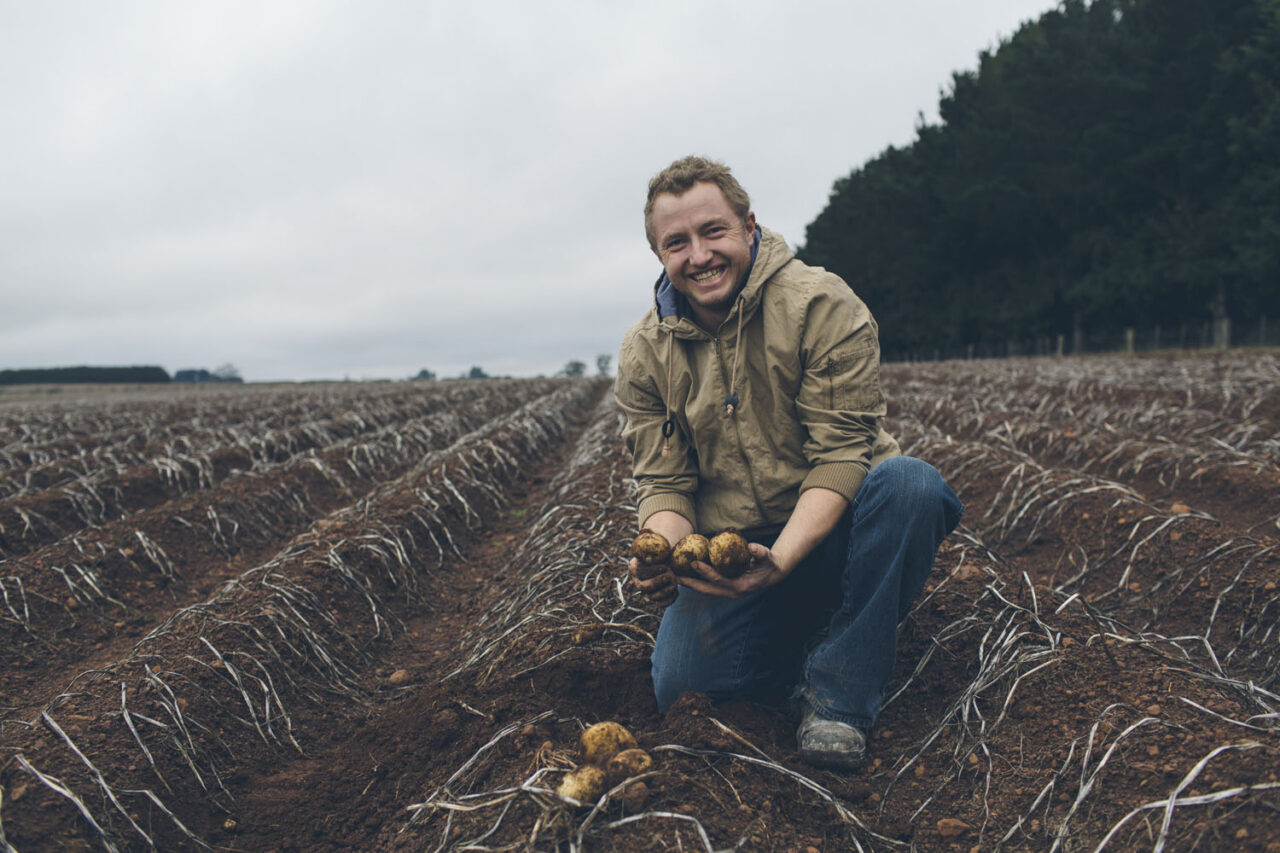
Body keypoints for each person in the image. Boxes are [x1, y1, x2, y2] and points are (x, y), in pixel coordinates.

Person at [614, 155, 963, 770]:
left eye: (713, 231)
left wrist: (782, 561)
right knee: (682, 689)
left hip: (836, 527)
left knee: (912, 486)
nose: (699, 255)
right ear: (659, 255)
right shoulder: (646, 351)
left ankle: (840, 694)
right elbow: (666, 482)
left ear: (749, 226)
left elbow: (840, 455)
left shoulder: (819, 304)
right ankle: (818, 632)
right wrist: (660, 548)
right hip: (736, 544)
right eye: (677, 242)